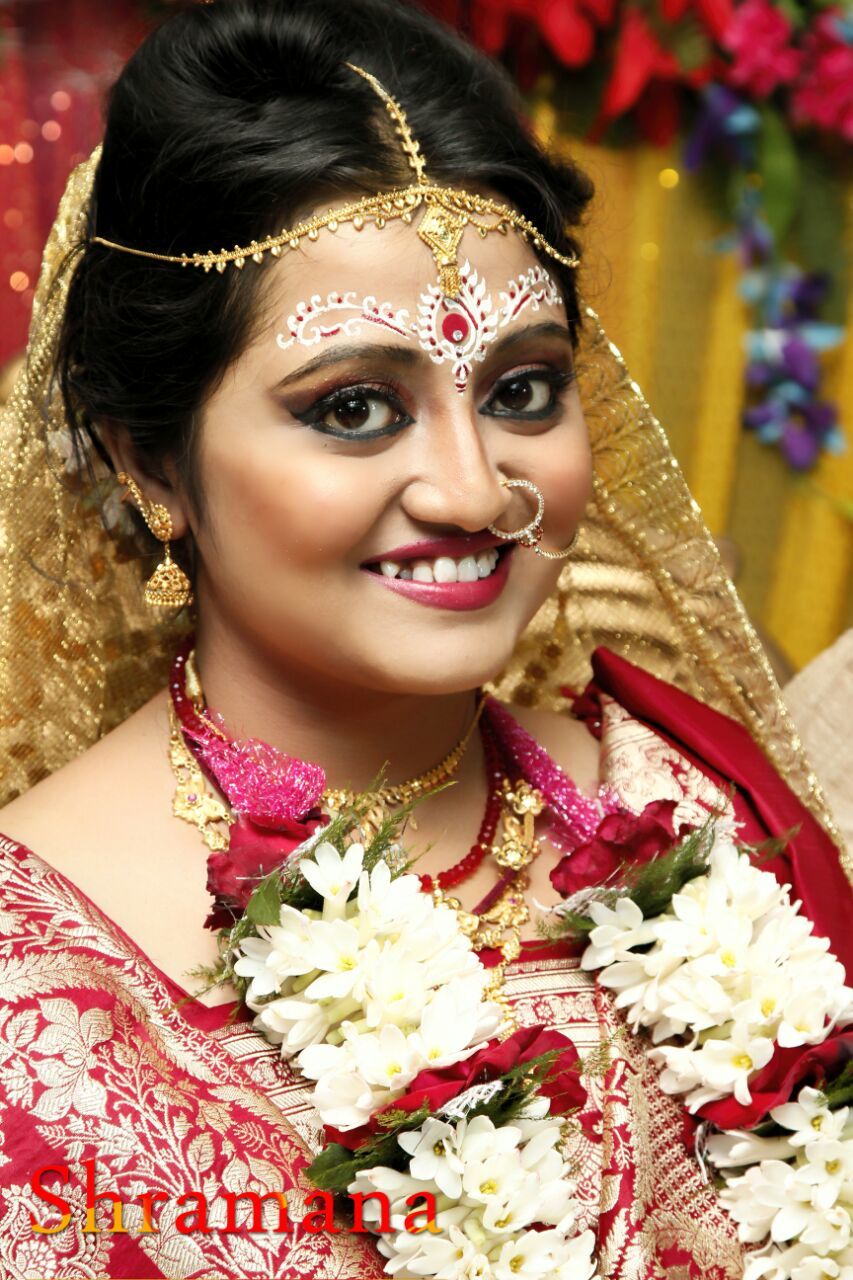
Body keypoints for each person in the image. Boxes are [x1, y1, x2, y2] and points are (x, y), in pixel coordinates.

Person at [0, 2, 849, 1277]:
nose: (472, 489)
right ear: (150, 465)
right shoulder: (41, 988)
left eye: (521, 390)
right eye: (353, 407)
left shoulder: (691, 794)